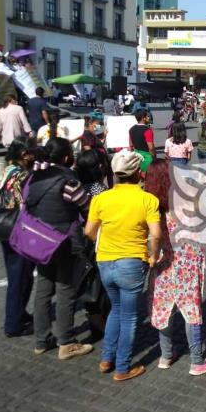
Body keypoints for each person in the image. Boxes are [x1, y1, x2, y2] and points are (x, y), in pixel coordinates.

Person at [85, 150, 161, 381]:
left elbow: (89, 231)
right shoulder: (147, 199)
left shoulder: (101, 198)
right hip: (131, 261)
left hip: (105, 261)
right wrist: (153, 255)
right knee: (129, 317)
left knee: (115, 310)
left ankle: (106, 357)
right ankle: (123, 367)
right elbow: (155, 234)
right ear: (139, 173)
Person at [145, 159, 206, 375]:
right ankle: (197, 360)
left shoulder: (150, 207)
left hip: (162, 262)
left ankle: (166, 355)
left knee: (163, 306)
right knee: (191, 308)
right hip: (187, 260)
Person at [28, 137, 93, 361]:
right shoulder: (67, 180)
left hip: (38, 239)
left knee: (44, 287)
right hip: (62, 241)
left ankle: (41, 340)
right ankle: (65, 342)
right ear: (66, 157)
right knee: (65, 289)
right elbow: (86, 206)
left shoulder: (34, 175)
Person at [0, 136, 38, 337]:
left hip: (7, 230)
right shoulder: (22, 175)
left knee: (19, 276)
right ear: (24, 155)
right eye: (33, 152)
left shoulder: (8, 169)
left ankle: (19, 314)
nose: (35, 155)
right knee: (19, 278)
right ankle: (13, 324)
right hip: (18, 232)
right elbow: (26, 203)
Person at [80, 116, 112, 187]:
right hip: (96, 162)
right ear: (90, 124)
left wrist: (104, 135)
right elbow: (88, 148)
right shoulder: (87, 134)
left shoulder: (92, 134)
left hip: (101, 160)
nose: (97, 127)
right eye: (96, 125)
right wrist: (97, 162)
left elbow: (100, 144)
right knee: (97, 181)